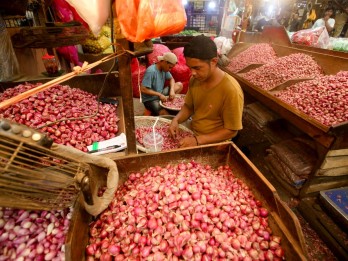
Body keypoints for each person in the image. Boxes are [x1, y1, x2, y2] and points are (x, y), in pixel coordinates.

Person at [169, 35, 244, 148]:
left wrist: (197, 140)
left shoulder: (231, 90)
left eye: (197, 68)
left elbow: (232, 130)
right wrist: (176, 120)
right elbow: (189, 106)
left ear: (214, 61)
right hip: (193, 133)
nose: (192, 73)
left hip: (215, 144)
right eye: (190, 68)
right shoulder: (195, 79)